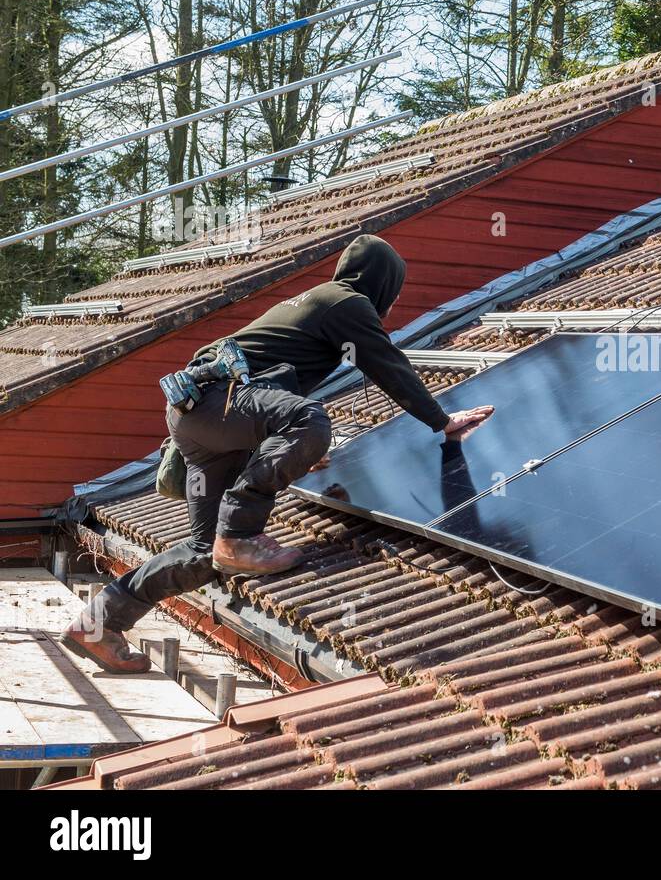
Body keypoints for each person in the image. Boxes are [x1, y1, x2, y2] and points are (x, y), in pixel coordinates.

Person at [61, 234, 493, 673]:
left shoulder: (311, 303)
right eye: (393, 293)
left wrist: (294, 452)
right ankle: (239, 534)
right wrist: (442, 420)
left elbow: (266, 392)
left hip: (196, 417)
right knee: (310, 420)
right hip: (221, 403)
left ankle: (97, 625)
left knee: (203, 549)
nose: (392, 304)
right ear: (382, 283)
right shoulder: (347, 302)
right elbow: (387, 365)